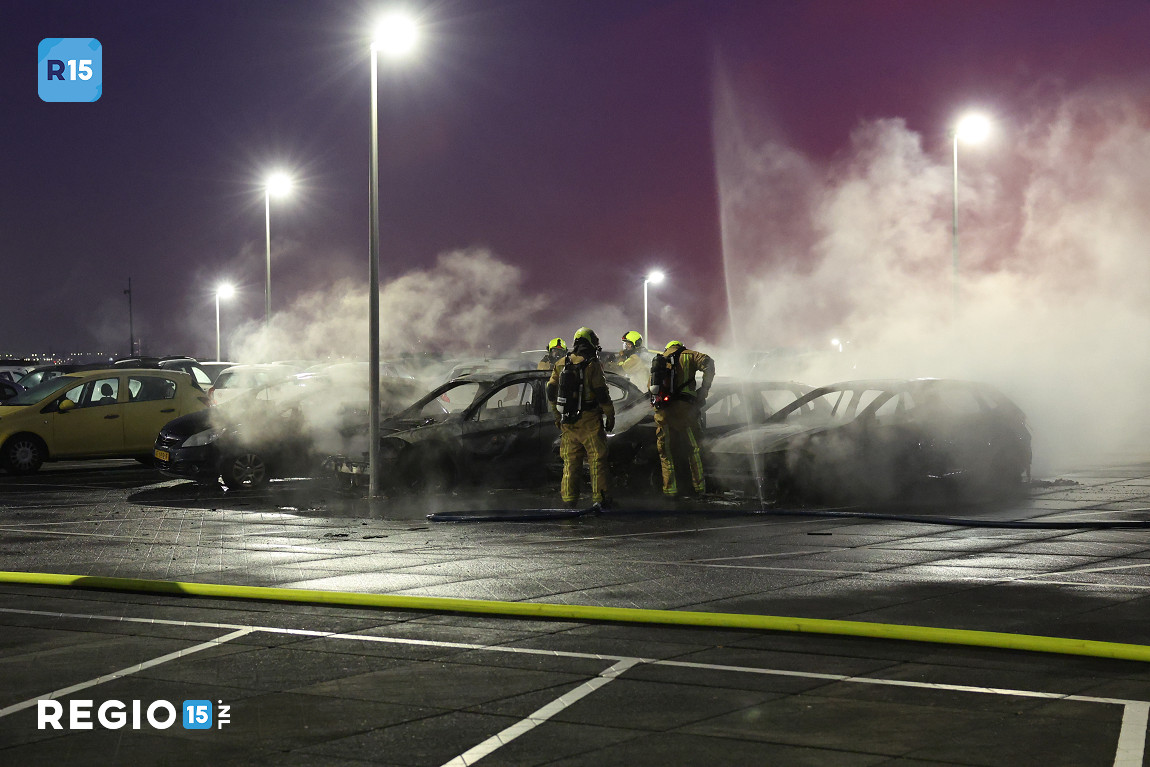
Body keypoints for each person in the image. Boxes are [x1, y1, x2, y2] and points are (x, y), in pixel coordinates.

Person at [547, 327, 615, 509]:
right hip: (590, 420)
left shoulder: (561, 363)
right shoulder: (592, 365)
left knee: (570, 462)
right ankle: (600, 500)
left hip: (568, 422)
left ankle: (569, 500)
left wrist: (557, 415)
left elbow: (551, 391)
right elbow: (602, 394)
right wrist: (610, 416)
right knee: (596, 460)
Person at [650, 340, 715, 499]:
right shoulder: (689, 356)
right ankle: (699, 488)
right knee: (694, 449)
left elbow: (651, 388)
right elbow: (709, 363)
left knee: (666, 453)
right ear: (680, 346)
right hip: (685, 412)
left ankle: (670, 491)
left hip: (664, 413)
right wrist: (704, 389)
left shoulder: (658, 361)